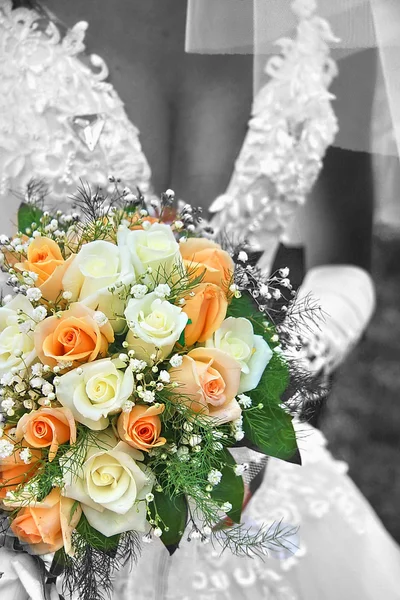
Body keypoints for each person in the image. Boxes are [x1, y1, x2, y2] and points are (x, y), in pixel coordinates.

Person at [0, 1, 399, 599]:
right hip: (31, 489)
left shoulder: (332, 12)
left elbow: (344, 264)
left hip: (243, 485)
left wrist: (267, 389)